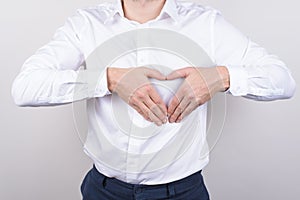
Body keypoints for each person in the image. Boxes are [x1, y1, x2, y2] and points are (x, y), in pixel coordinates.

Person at [12, 0, 296, 199]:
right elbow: (25, 88)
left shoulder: (206, 24)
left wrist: (222, 77)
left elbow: (282, 80)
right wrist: (108, 79)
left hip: (183, 193)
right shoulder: (85, 25)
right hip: (102, 191)